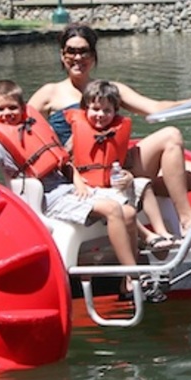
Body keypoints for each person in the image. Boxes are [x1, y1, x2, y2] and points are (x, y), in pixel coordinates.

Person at [0, 79, 141, 297]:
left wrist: (77, 180)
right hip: (49, 201)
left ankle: (126, 279)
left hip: (68, 190)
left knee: (129, 212)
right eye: (0, 109)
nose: (7, 113)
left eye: (12, 107)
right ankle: (133, 276)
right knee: (113, 209)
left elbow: (61, 160)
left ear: (24, 108)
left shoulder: (34, 128)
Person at [26, 23, 191, 242]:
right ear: (62, 55)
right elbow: (22, 131)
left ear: (93, 56)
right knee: (170, 135)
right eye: (71, 51)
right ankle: (188, 220)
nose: (77, 57)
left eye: (83, 51)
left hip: (120, 171)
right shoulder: (49, 93)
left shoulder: (109, 90)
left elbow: (155, 108)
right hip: (82, 176)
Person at [66, 79, 180, 251]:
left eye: (107, 111)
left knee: (144, 184)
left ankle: (162, 232)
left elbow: (123, 163)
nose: (101, 115)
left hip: (112, 185)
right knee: (121, 205)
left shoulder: (115, 133)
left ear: (114, 112)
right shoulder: (76, 136)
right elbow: (64, 161)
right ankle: (148, 237)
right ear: (85, 109)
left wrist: (128, 176)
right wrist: (79, 183)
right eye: (95, 109)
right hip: (91, 190)